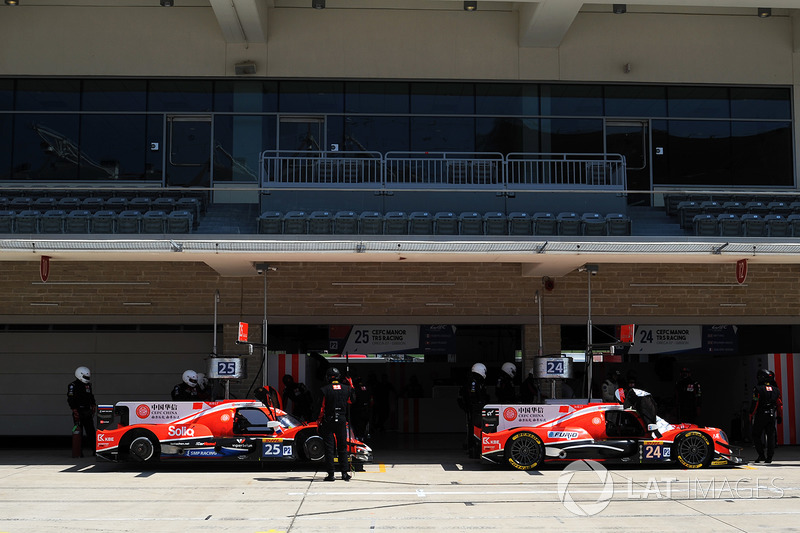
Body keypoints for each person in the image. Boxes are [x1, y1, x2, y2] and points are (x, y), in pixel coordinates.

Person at [317, 367, 354, 481]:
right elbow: (352, 401)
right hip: (341, 420)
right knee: (342, 447)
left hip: (328, 420)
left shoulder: (324, 389)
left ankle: (331, 474)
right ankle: (344, 473)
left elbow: (321, 408)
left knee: (329, 448)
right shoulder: (347, 389)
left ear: (328, 377)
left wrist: (319, 421)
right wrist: (351, 385)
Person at [750, 368, 783, 464]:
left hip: (761, 415)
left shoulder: (758, 388)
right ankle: (769, 457)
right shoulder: (776, 390)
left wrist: (750, 415)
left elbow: (755, 403)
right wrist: (780, 416)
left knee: (756, 435)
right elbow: (779, 404)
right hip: (772, 415)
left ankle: (761, 455)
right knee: (771, 436)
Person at [458, 363, 489, 458]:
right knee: (472, 427)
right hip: (473, 409)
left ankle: (472, 446)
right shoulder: (473, 382)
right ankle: (471, 447)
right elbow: (473, 396)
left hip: (474, 408)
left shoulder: (475, 381)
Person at [67, 366, 96, 457]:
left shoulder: (88, 385)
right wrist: (74, 410)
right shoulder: (72, 386)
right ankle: (78, 452)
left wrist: (93, 405)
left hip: (87, 411)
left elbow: (91, 396)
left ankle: (95, 450)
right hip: (78, 412)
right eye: (85, 377)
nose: (87, 379)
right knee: (78, 432)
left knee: (91, 432)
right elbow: (70, 399)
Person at [350, 375, 372, 441]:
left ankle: (358, 437)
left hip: (357, 409)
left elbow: (353, 399)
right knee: (364, 424)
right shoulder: (367, 388)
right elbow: (371, 399)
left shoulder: (355, 388)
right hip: (366, 409)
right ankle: (362, 436)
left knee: (357, 424)